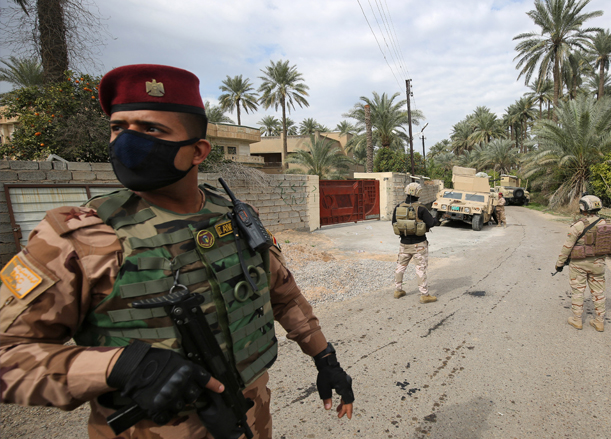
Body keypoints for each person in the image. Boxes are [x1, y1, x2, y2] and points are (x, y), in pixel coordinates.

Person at [0, 64, 354, 439]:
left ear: (198, 151)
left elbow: (282, 294)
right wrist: (120, 366)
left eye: (151, 130)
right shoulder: (78, 237)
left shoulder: (232, 216)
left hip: (250, 416)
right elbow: (9, 355)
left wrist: (324, 357)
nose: (127, 141)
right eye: (119, 128)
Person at [553, 195, 611, 332]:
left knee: (578, 291)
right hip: (598, 264)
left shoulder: (578, 225)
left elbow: (567, 247)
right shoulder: (607, 224)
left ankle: (577, 320)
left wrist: (559, 264)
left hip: (578, 264)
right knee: (598, 292)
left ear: (583, 208)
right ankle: (599, 322)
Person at [391, 182, 440, 304]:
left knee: (400, 267)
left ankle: (398, 290)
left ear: (406, 192)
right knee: (420, 269)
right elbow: (431, 223)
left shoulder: (398, 207)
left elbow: (394, 223)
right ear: (419, 193)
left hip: (404, 244)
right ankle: (424, 295)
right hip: (419, 245)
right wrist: (437, 218)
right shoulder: (421, 208)